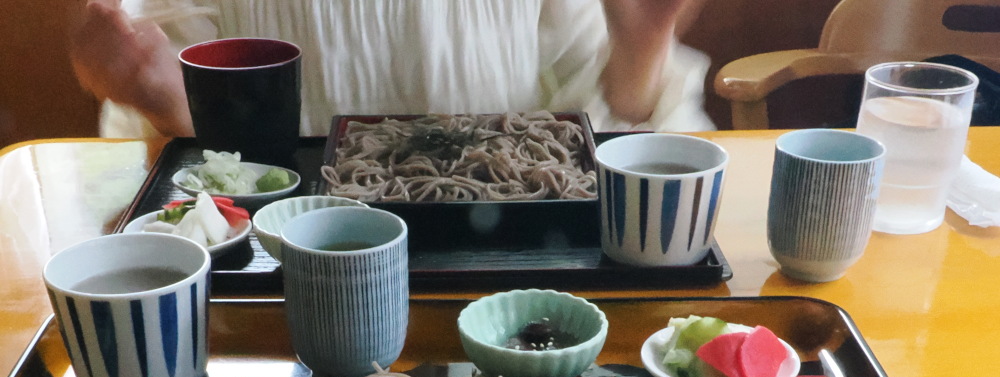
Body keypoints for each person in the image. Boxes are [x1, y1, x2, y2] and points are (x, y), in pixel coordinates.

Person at [70, 0, 715, 139]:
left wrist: (641, 45)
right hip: (295, 270)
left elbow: (607, 121)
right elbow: (204, 155)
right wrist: (157, 95)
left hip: (506, 263)